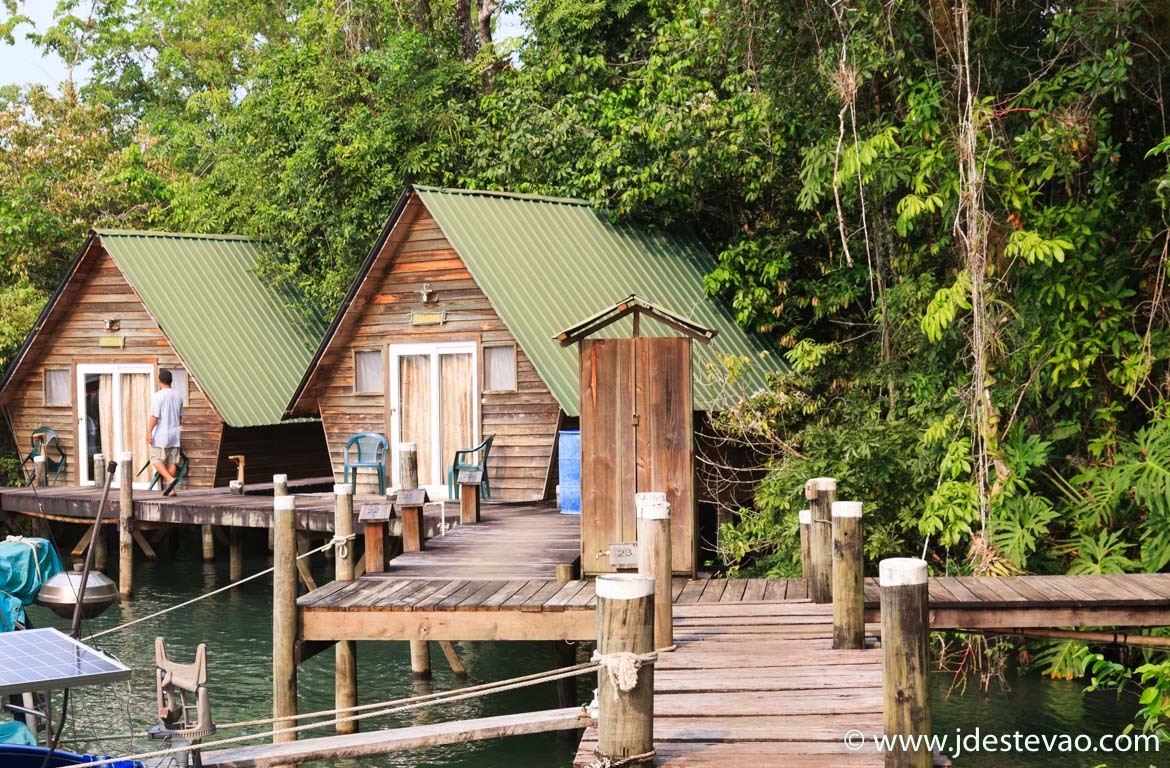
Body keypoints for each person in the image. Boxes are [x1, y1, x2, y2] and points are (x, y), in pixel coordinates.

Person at [148, 370, 184, 496]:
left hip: (161, 435)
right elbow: (180, 418)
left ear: (160, 381)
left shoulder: (158, 396)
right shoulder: (178, 396)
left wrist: (149, 432)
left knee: (155, 459)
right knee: (171, 461)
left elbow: (155, 417)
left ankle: (169, 480)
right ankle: (171, 489)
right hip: (174, 434)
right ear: (171, 381)